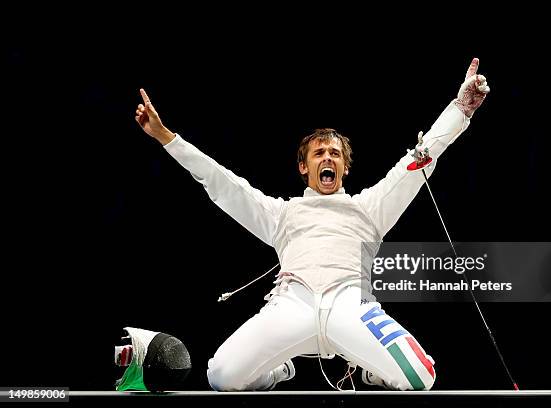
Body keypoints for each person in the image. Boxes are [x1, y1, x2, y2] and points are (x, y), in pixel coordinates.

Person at [134, 58, 490, 391]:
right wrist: (166, 137)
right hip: (291, 304)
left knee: (420, 376)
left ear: (345, 167)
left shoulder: (369, 207)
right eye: (319, 153)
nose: (327, 158)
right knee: (221, 376)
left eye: (334, 153)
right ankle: (278, 369)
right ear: (304, 167)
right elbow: (221, 181)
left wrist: (461, 109)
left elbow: (420, 157)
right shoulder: (281, 213)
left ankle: (372, 369)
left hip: (352, 306)